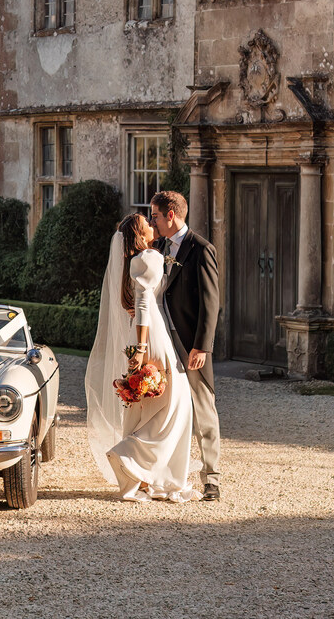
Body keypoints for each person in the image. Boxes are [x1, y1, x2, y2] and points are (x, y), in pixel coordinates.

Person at [84, 213, 200, 502]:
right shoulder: (149, 257)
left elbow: (137, 302)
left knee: (148, 405)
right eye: (146, 223)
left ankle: (144, 476)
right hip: (151, 335)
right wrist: (140, 347)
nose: (151, 223)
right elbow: (145, 302)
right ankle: (129, 457)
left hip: (141, 333)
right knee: (176, 405)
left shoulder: (134, 261)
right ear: (139, 233)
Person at [149, 189, 222, 501]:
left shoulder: (201, 249)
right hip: (162, 341)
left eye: (155, 216)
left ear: (171, 215)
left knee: (203, 409)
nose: (151, 222)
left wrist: (202, 347)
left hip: (190, 343)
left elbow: (211, 302)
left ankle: (212, 480)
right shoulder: (160, 247)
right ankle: (162, 475)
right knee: (165, 408)